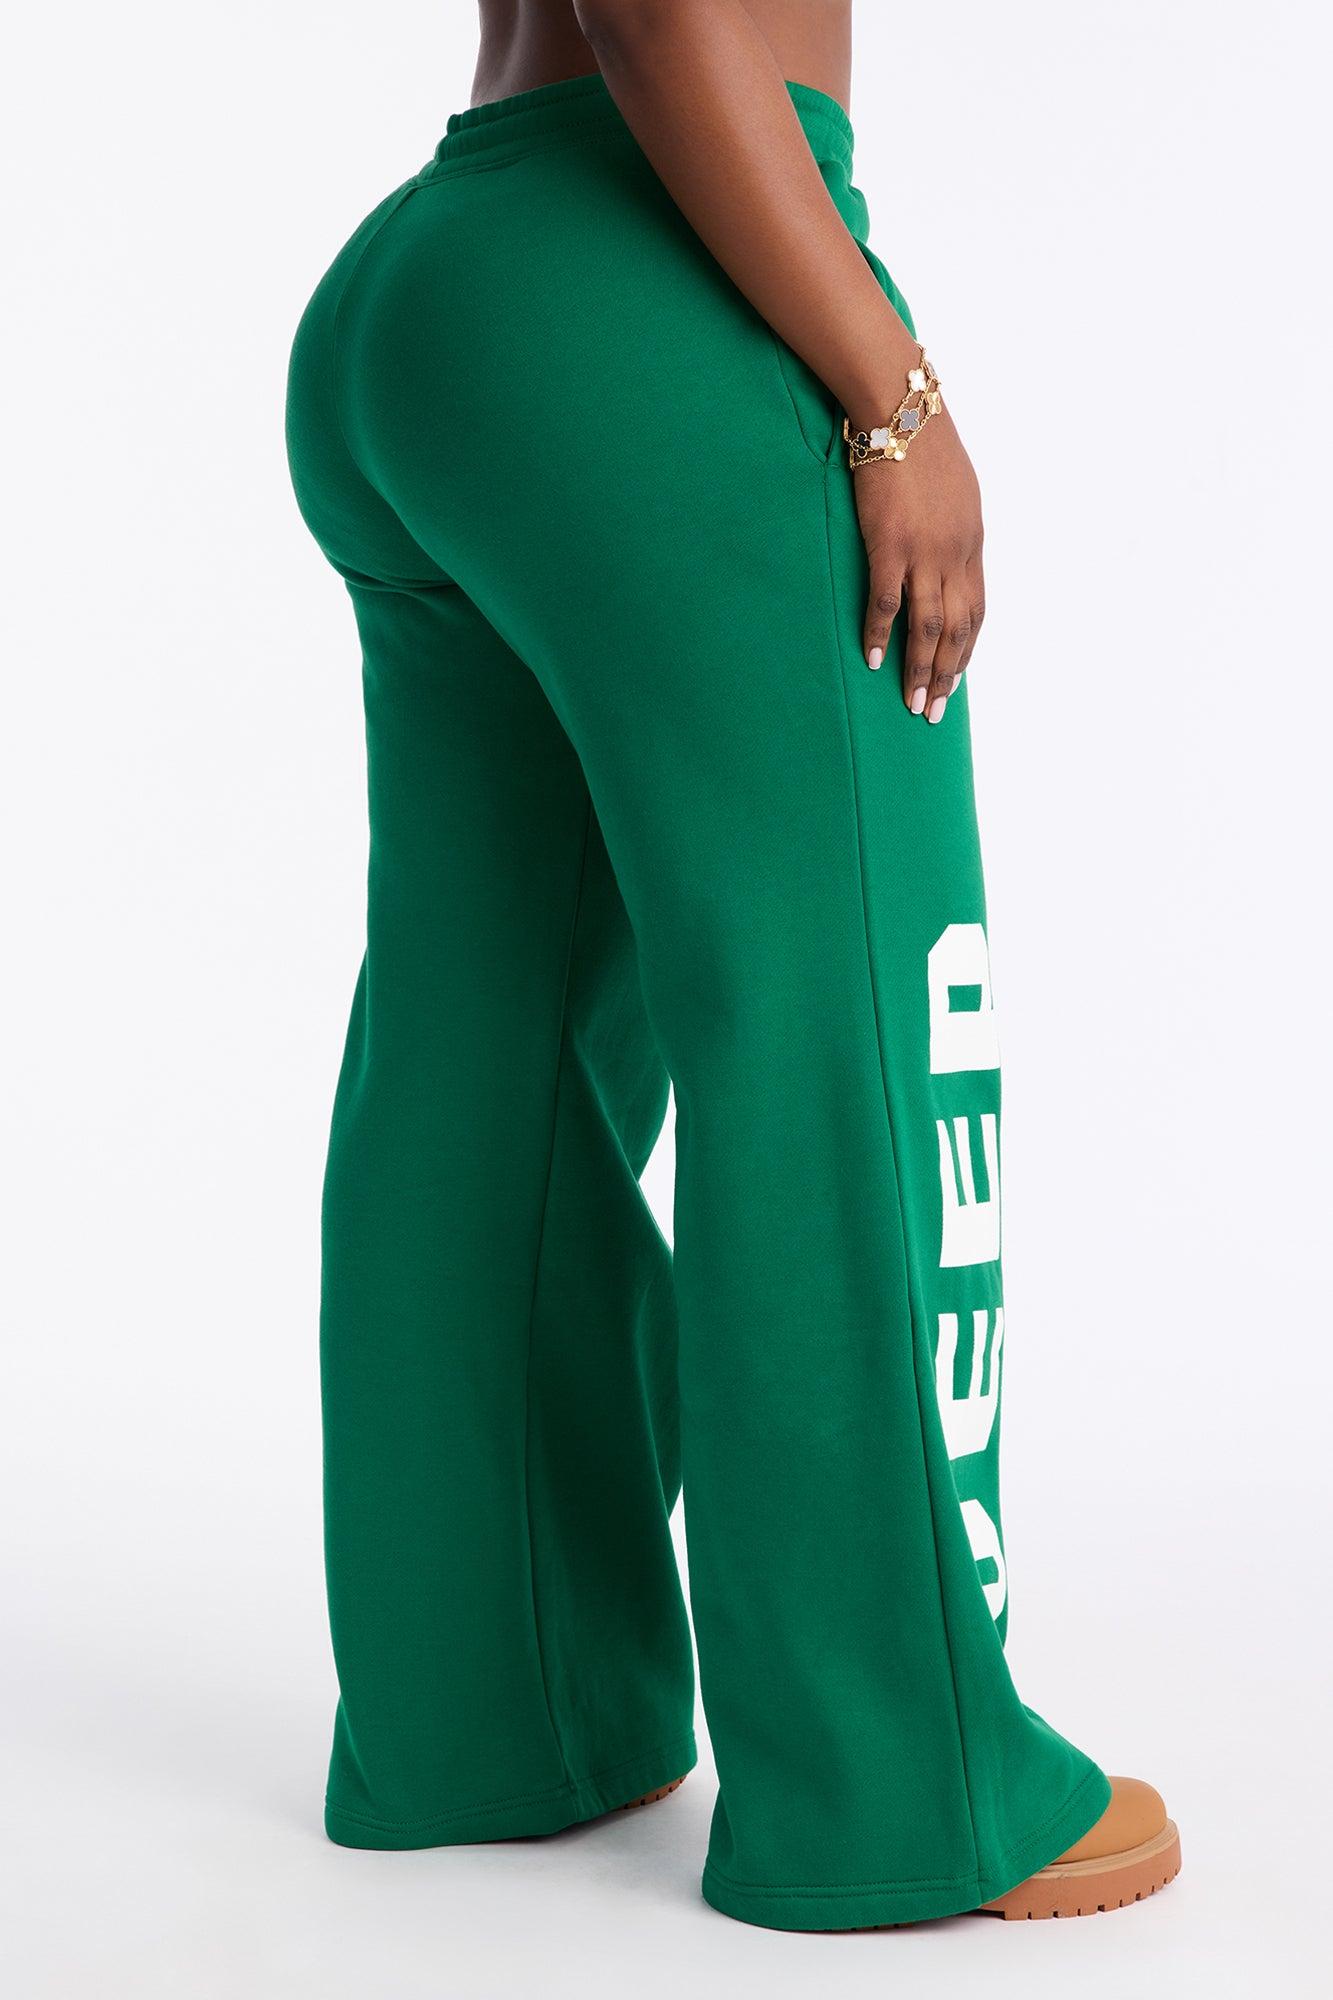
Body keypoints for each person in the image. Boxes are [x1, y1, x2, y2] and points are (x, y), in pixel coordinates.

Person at [285, 0, 1180, 1931]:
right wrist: (891, 396)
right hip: (666, 279)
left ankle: (490, 1713)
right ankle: (897, 1782)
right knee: (843, 1018)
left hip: (437, 297)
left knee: (485, 1028)